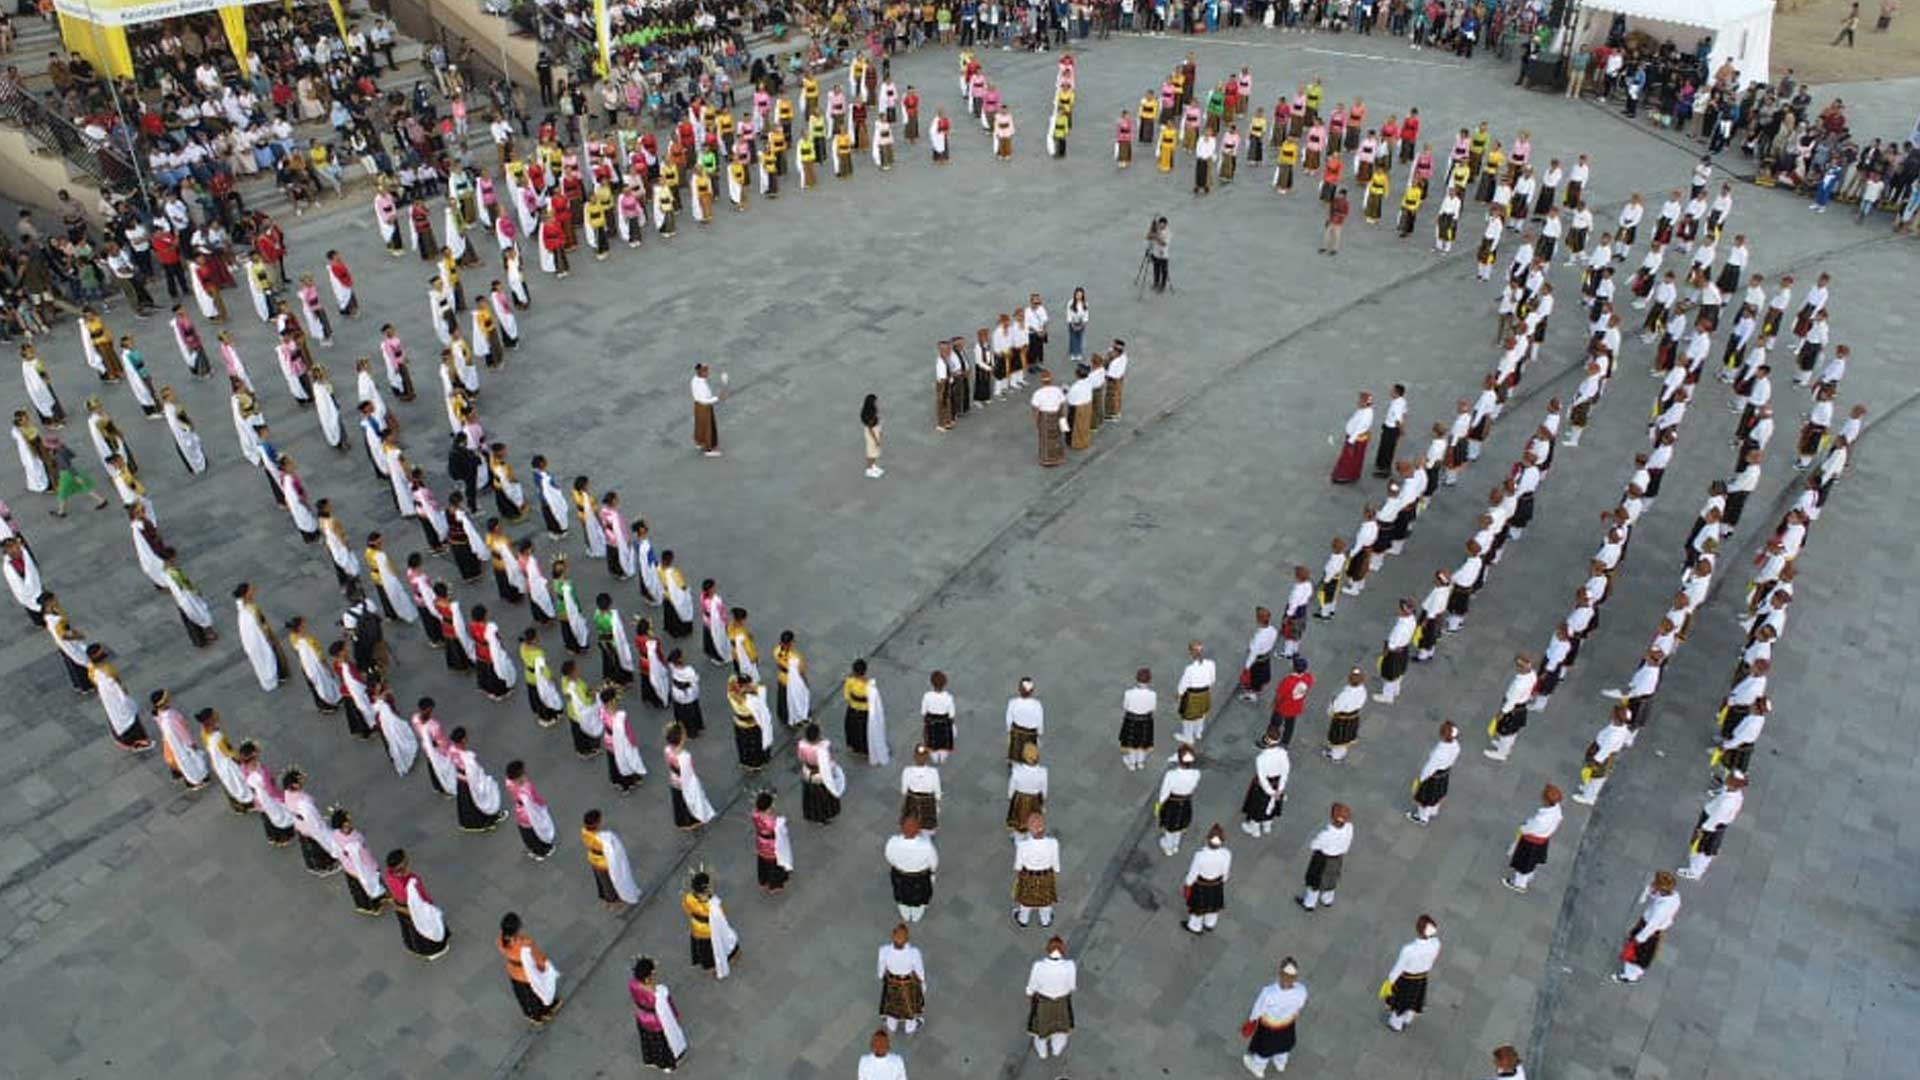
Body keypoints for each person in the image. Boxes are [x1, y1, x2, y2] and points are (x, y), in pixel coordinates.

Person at [1241, 958, 1308, 1077]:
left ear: (1280, 974)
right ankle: (1280, 1063)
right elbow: (1300, 1005)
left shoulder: (1269, 992)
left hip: (1269, 1026)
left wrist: (1251, 1020)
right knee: (1284, 1044)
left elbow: (1258, 1009)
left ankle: (1258, 1067)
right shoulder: (1301, 990)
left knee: (1264, 1048)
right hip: (1288, 1023)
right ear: (1295, 977)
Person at [1614, 871, 1682, 983]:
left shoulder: (1661, 910)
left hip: (1648, 930)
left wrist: (1638, 939)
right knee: (1641, 953)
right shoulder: (1675, 896)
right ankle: (1633, 972)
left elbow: (1650, 927)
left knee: (1637, 954)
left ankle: (1630, 976)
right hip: (1652, 927)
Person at [382, 849, 451, 960]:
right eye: (406, 860)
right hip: (414, 909)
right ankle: (434, 949)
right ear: (402, 865)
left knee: (410, 930)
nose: (409, 861)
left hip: (401, 906)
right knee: (424, 929)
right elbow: (418, 906)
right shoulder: (410, 884)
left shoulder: (389, 875)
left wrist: (397, 906)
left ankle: (413, 947)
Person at [497, 912, 561, 1025]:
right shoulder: (525, 944)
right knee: (539, 991)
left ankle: (534, 1016)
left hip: (513, 972)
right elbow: (538, 957)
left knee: (525, 997)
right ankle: (546, 1009)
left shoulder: (501, 941)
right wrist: (545, 966)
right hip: (528, 975)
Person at [1382, 915, 1442, 1031]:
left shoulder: (1409, 949)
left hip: (1407, 979)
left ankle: (1396, 1024)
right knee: (1414, 1000)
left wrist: (1390, 981)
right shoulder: (1436, 943)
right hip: (1422, 977)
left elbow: (1399, 967)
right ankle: (1408, 1019)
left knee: (1401, 1002)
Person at [630, 957, 689, 1072]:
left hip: (641, 1016)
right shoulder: (659, 992)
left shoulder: (633, 984)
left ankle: (651, 1060)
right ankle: (668, 1064)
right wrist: (675, 1016)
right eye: (652, 973)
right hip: (656, 1022)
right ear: (647, 978)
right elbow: (667, 1010)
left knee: (649, 1041)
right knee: (663, 1043)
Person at [1503, 784, 1565, 893]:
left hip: (1530, 842)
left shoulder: (1541, 819)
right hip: (1543, 840)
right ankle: (1528, 876)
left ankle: (1519, 884)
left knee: (1523, 863)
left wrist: (1523, 826)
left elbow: (1528, 828)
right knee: (1532, 862)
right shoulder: (1557, 810)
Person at [1024, 936, 1078, 1060]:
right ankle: (1057, 1050)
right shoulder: (1070, 965)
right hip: (1062, 1002)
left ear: (1048, 949)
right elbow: (1072, 986)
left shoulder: (1038, 966)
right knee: (1061, 1030)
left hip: (1043, 1002)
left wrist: (1030, 994)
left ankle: (1042, 1053)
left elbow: (1032, 986)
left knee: (1040, 1030)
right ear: (1063, 949)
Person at [682, 871, 740, 978]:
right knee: (723, 944)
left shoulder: (688, 898)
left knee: (705, 952)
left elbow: (687, 909)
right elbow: (722, 918)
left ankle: (711, 968)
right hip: (713, 933)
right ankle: (732, 957)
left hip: (697, 930)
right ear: (707, 889)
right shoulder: (713, 904)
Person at [1296, 802, 1352, 911]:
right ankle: (1327, 900)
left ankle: (1309, 904)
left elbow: (1314, 845)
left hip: (1323, 859)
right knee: (1332, 879)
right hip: (1337, 858)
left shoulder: (1326, 834)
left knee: (1315, 881)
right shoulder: (1349, 828)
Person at [581, 808, 641, 907]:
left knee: (600, 880)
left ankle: (604, 897)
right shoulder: (603, 839)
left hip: (592, 858)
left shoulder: (584, 831)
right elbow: (611, 853)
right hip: (603, 863)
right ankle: (612, 900)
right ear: (596, 823)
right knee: (608, 882)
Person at [885, 815, 940, 922]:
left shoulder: (893, 842)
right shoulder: (926, 846)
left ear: (901, 827)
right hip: (920, 877)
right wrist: (932, 873)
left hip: (900, 875)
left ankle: (905, 914)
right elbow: (934, 863)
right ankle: (916, 916)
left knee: (901, 896)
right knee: (921, 898)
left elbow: (889, 857)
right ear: (918, 829)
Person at [1013, 812, 1062, 928]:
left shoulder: (1023, 845)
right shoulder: (1053, 843)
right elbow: (1056, 865)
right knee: (1045, 900)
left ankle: (1023, 919)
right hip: (1046, 875)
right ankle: (1045, 920)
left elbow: (1018, 866)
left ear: (1030, 829)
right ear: (1043, 827)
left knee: (1026, 899)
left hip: (1028, 875)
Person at [877, 924, 929, 1034]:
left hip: (891, 982)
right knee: (911, 1005)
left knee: (891, 1004)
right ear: (907, 938)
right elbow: (919, 970)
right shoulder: (914, 953)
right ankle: (910, 1027)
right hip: (908, 983)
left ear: (892, 935)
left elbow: (881, 968)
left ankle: (892, 1025)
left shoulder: (884, 950)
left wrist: (882, 977)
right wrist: (922, 983)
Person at [1182, 824, 1233, 934]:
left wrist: (1188, 883)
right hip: (1216, 884)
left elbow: (1193, 873)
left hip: (1201, 884)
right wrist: (1222, 881)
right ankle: (1210, 924)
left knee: (1198, 908)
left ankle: (1195, 926)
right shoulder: (1226, 854)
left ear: (1208, 839)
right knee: (1213, 906)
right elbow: (1226, 872)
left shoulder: (1200, 855)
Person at [1407, 721, 1460, 825]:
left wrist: (1421, 779)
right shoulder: (1456, 746)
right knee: (1437, 795)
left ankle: (1422, 817)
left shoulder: (1439, 752)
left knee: (1425, 798)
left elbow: (1429, 768)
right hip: (1444, 774)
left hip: (1433, 777)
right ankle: (1433, 811)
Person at [752, 791, 794, 891]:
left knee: (763, 862)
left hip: (760, 841)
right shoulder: (773, 822)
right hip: (772, 845)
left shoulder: (755, 815)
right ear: (767, 808)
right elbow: (782, 832)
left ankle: (764, 880)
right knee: (773, 865)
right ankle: (774, 884)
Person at [1175, 640, 1216, 745]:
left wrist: (1179, 694)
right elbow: (1212, 680)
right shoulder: (1211, 664)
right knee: (1201, 714)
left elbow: (1183, 684)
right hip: (1205, 693)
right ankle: (1198, 732)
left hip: (1192, 695)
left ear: (1192, 653)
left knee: (1188, 718)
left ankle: (1188, 737)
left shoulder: (1190, 669)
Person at [1330, 391, 1374, 483]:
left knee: (1349, 458)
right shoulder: (1364, 410)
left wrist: (1351, 441)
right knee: (1353, 457)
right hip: (1355, 438)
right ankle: (1351, 474)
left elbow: (1358, 429)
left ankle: (1345, 476)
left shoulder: (1366, 414)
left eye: (1360, 400)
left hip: (1356, 440)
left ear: (1364, 402)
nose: (1358, 402)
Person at [1119, 667, 1157, 770]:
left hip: (1131, 720)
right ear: (1149, 680)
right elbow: (1153, 708)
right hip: (1146, 721)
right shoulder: (1152, 694)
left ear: (1136, 679)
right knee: (1143, 742)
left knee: (1131, 743)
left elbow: (1125, 707)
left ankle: (1131, 763)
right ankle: (1140, 762)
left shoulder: (1128, 693)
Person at [690, 363, 723, 457]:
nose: (708, 372)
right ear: (701, 372)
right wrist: (718, 398)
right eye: (706, 371)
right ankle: (709, 449)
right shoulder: (702, 386)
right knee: (708, 427)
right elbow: (705, 400)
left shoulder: (694, 380)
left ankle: (699, 442)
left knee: (700, 425)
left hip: (697, 406)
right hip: (705, 407)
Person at [1320, 187, 1350, 255]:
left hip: (1338, 222)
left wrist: (1339, 214)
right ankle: (1325, 247)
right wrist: (1328, 218)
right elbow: (1330, 210)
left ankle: (1334, 249)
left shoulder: (1346, 203)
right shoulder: (1335, 200)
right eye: (1339, 194)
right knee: (1327, 234)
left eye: (1340, 194)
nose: (1339, 195)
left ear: (1344, 195)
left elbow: (1346, 214)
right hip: (1332, 219)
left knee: (1336, 236)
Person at [862, 394, 885, 478]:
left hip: (876, 429)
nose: (877, 402)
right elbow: (870, 429)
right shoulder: (869, 413)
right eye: (875, 401)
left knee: (875, 451)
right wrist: (876, 440)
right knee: (871, 451)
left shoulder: (873, 409)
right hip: (872, 432)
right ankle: (869, 469)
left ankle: (873, 466)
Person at [1146, 217, 1170, 292]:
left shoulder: (1168, 233)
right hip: (1155, 255)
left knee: (1164, 272)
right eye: (1160, 224)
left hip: (1164, 257)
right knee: (1156, 271)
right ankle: (1155, 284)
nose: (1161, 226)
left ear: (1166, 225)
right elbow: (1148, 237)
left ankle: (1163, 287)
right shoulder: (1156, 231)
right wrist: (1151, 228)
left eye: (1163, 225)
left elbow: (1163, 243)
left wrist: (1156, 236)